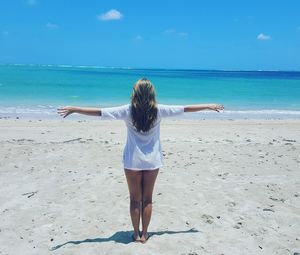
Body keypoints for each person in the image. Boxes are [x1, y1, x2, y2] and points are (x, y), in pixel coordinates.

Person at [57, 78, 224, 243]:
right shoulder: (159, 110)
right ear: (152, 93)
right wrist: (208, 105)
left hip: (132, 161)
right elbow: (185, 109)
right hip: (152, 161)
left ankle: (136, 234)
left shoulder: (127, 110)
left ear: (135, 93)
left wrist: (75, 109)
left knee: (135, 199)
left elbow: (100, 112)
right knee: (148, 199)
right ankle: (145, 234)